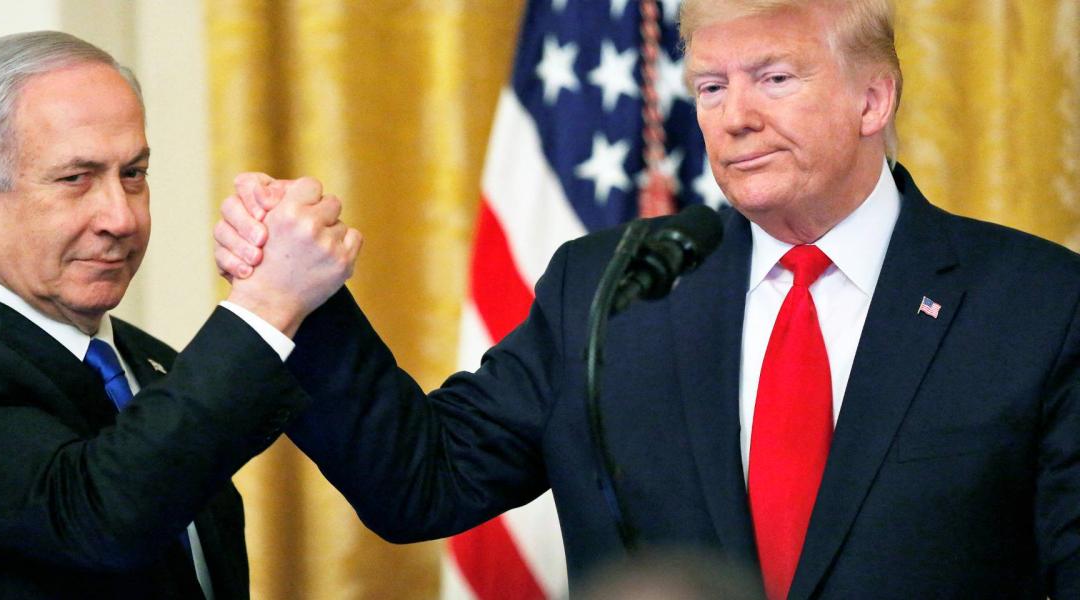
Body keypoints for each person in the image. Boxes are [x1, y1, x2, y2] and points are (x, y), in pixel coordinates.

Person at [215, 0, 1080, 598]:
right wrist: (301, 300)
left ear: (872, 96)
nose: (733, 115)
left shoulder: (1037, 303)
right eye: (710, 86)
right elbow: (423, 482)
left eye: (774, 78)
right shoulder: (607, 293)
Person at [0, 32, 359, 599]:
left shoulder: (149, 363)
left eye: (133, 174)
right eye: (75, 178)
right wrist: (264, 306)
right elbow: (99, 520)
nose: (121, 218)